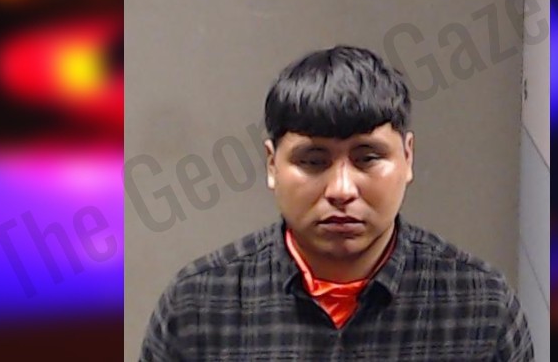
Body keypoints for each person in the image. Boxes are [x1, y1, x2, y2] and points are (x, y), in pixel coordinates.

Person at [140, 45, 534, 361]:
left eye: (368, 158)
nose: (342, 189)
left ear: (408, 157)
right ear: (272, 165)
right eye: (313, 161)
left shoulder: (482, 306)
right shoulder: (196, 306)